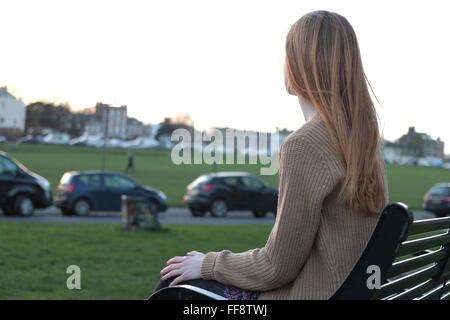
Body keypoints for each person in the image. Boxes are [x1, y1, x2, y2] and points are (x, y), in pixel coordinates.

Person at [154, 10, 388, 300]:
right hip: (356, 292)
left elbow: (275, 267)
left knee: (171, 286)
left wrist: (207, 263)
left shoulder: (305, 145)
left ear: (299, 64)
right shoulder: (364, 143)